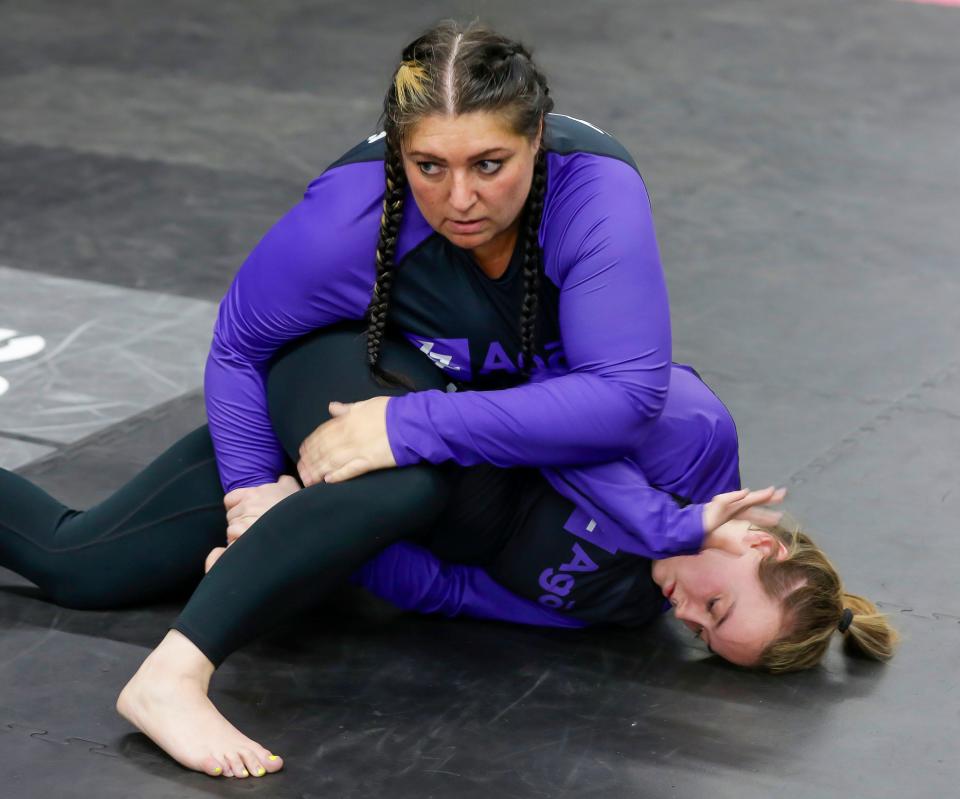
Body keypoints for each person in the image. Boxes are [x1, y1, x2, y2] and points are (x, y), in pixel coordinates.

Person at [0, 19, 897, 781]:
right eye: (430, 165)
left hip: (359, 450)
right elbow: (242, 343)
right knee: (408, 477)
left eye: (490, 164)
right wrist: (254, 492)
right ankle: (173, 677)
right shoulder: (347, 222)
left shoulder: (616, 604)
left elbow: (450, 584)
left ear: (535, 141)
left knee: (84, 566)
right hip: (349, 388)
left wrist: (297, 552)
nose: (459, 197)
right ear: (752, 538)